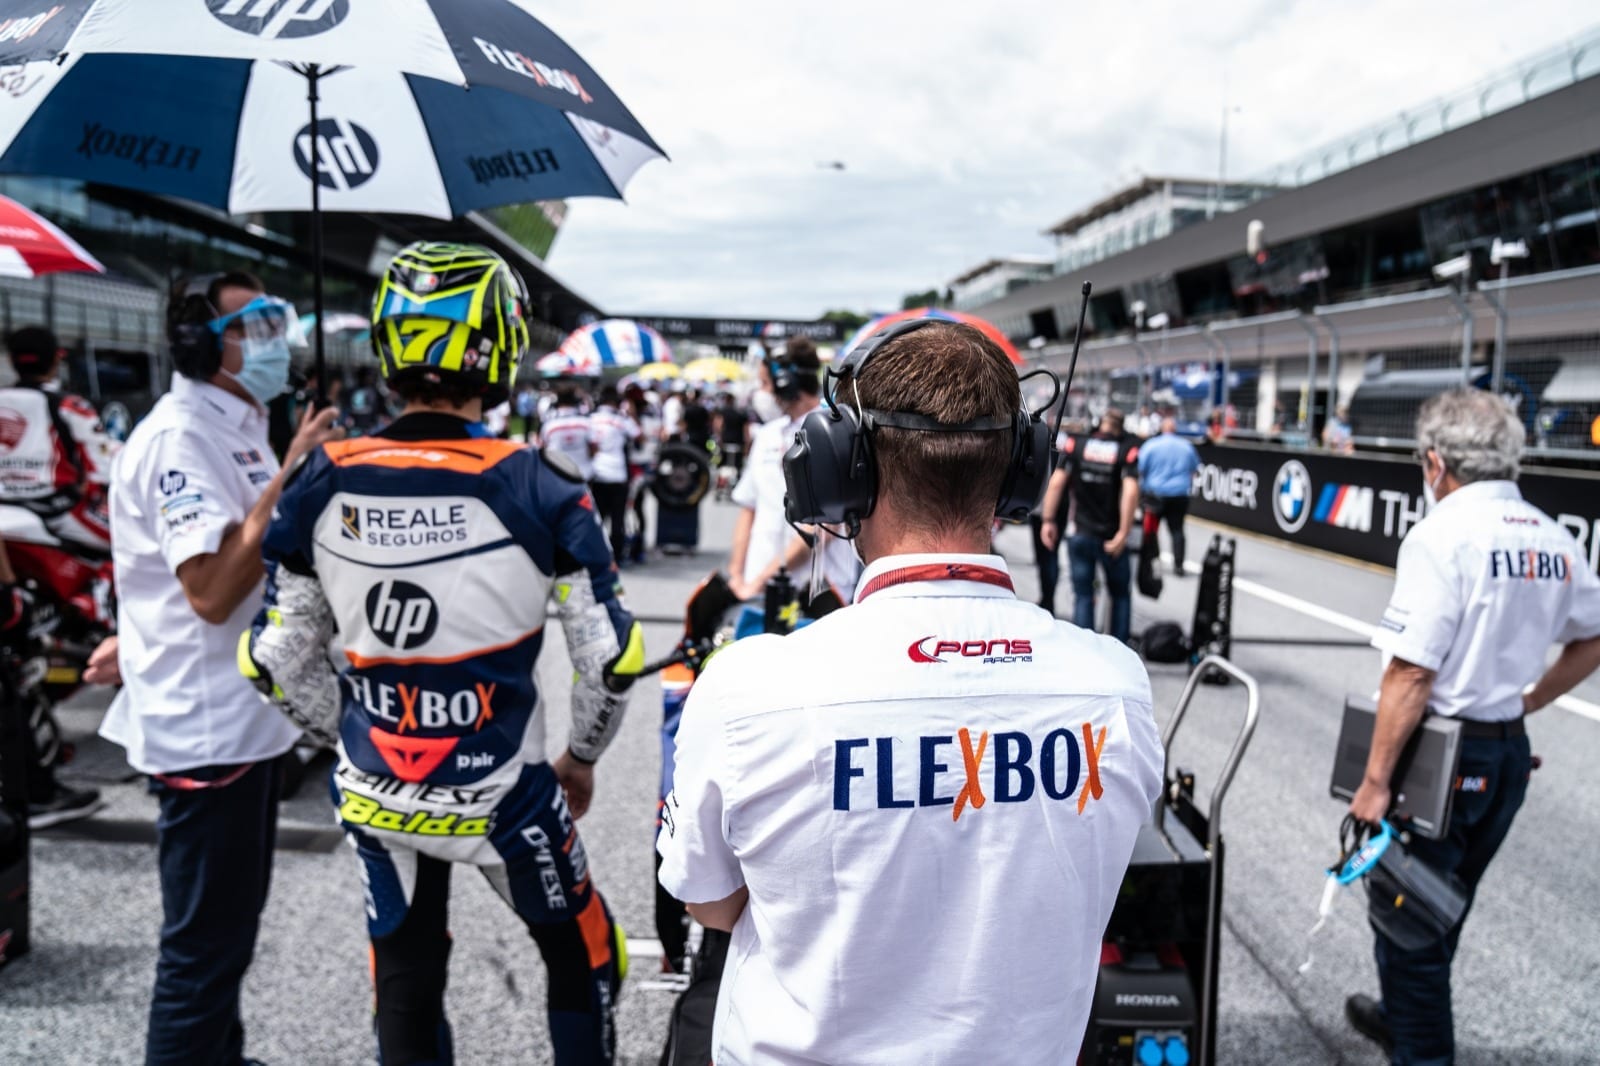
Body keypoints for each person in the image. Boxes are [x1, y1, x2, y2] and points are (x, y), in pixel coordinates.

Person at [657, 320, 1164, 1063]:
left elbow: (709, 901)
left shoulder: (747, 688)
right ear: (1022, 473)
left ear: (841, 471)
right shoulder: (1117, 686)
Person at [241, 242, 644, 1065]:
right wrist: (581, 756)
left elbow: (274, 659)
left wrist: (350, 733)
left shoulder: (319, 478)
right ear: (502, 344)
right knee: (587, 960)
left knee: (405, 977)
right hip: (506, 793)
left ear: (389, 345)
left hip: (375, 786)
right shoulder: (541, 482)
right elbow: (609, 658)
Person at [95, 270, 342, 1065]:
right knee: (202, 948)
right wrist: (292, 471)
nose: (274, 340)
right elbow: (208, 589)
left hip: (246, 717)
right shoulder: (181, 436)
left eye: (276, 320)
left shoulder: (235, 423)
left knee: (230, 932)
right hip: (209, 731)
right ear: (201, 343)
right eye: (254, 325)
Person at [1345, 388, 1600, 1065]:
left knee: (1409, 920)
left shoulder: (1442, 534)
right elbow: (1593, 635)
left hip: (1444, 756)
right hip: (1504, 753)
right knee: (1441, 902)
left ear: (1436, 462)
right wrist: (1526, 703)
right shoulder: (1552, 535)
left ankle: (1420, 1046)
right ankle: (1401, 1016)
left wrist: (1375, 781)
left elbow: (1411, 673)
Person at [0, 326, 122, 825]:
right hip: (56, 516)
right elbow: (106, 468)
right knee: (131, 548)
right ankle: (107, 619)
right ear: (57, 358)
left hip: (11, 521)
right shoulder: (69, 406)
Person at [727, 337, 858, 603]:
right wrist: (736, 576)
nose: (761, 392)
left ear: (787, 383)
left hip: (817, 595)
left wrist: (762, 580)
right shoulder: (767, 435)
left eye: (765, 383)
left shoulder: (834, 434)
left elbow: (826, 525)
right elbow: (749, 507)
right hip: (758, 591)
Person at [1040, 408, 1140, 643]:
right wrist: (1123, 533)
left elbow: (1056, 483)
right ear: (1120, 428)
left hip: (1080, 532)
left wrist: (1048, 520)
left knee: (1084, 595)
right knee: (1120, 596)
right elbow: (1131, 491)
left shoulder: (1078, 443)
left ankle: (1084, 648)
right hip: (1111, 536)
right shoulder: (1126, 448)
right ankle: (1120, 651)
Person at [1136, 416, 1201, 575]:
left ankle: (1154, 562)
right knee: (1177, 530)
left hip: (1154, 495)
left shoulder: (1151, 445)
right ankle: (1179, 565)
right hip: (1179, 494)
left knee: (1151, 530)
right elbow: (1195, 469)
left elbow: (1140, 469)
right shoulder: (1186, 446)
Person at [589, 384, 641, 565]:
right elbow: (639, 435)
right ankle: (617, 557)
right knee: (618, 519)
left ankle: (595, 554)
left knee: (597, 519)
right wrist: (632, 413)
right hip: (618, 475)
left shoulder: (591, 419)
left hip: (597, 474)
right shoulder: (621, 419)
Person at [541, 388, 593, 480]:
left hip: (558, 474)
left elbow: (543, 449)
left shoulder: (549, 426)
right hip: (583, 474)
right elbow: (593, 448)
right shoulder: (586, 423)